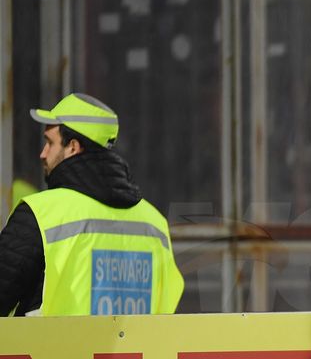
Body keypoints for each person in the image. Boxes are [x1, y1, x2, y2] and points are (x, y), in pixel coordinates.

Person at [0, 93, 183, 316]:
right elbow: (167, 311)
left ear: (73, 147)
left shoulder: (41, 214)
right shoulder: (155, 224)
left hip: (52, 351)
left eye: (50, 142)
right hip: (134, 352)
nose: (43, 153)